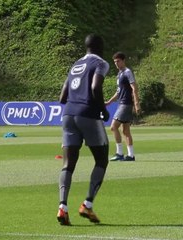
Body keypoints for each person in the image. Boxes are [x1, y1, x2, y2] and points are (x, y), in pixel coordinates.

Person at [56, 34, 110, 226]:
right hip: (88, 114)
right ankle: (87, 204)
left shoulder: (75, 64)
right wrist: (103, 110)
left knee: (68, 163)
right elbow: (96, 87)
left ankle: (62, 207)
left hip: (68, 115)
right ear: (101, 47)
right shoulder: (101, 63)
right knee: (102, 159)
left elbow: (62, 97)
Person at [106, 52, 141, 161]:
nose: (116, 64)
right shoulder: (120, 74)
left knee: (113, 127)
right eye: (115, 62)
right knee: (125, 131)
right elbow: (118, 92)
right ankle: (131, 155)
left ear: (123, 60)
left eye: (118, 61)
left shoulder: (127, 72)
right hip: (122, 103)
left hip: (126, 104)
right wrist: (109, 102)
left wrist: (136, 103)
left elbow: (134, 87)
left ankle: (119, 153)